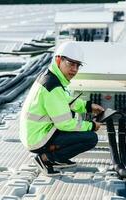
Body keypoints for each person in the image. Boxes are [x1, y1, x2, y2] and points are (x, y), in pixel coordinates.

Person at [19, 41, 104, 176]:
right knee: (90, 138)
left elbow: (64, 102)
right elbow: (64, 123)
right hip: (38, 138)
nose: (75, 69)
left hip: (36, 133)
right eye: (71, 64)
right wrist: (91, 126)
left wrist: (87, 106)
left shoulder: (51, 77)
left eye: (78, 65)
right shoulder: (53, 86)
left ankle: (58, 159)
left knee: (82, 132)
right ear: (58, 60)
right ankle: (45, 159)